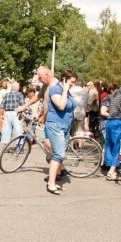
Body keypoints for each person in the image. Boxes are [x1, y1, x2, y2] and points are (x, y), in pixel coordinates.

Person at [41, 67, 76, 195]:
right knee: (58, 155)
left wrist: (67, 90)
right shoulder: (56, 89)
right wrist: (65, 90)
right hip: (56, 125)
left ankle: (54, 180)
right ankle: (51, 184)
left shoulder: (66, 90)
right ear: (65, 80)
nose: (73, 84)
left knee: (59, 153)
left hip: (65, 126)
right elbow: (61, 105)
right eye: (71, 82)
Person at [0, 81, 25, 145]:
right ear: (18, 87)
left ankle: (5, 145)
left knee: (6, 129)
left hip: (7, 113)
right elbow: (22, 106)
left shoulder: (7, 94)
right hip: (16, 113)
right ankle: (19, 145)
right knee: (18, 130)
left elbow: (2, 106)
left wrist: (2, 114)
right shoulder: (19, 94)